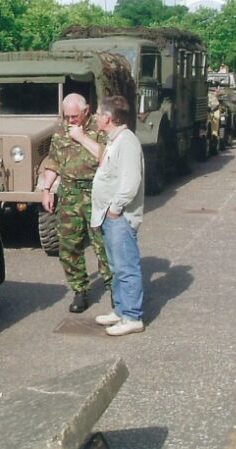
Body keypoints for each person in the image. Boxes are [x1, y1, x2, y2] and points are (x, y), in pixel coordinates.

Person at [41, 93, 111, 313]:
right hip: (69, 195)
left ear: (86, 111)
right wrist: (46, 190)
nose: (71, 120)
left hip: (95, 193)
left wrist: (82, 137)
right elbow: (53, 162)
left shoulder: (100, 128)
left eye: (74, 116)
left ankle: (115, 289)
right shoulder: (61, 132)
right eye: (67, 116)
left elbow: (107, 157)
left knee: (104, 245)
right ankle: (79, 290)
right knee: (69, 246)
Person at [90, 95, 146, 336]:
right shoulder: (115, 140)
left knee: (126, 266)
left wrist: (115, 208)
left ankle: (132, 316)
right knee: (115, 266)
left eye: (99, 114)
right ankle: (121, 310)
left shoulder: (127, 142)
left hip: (119, 217)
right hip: (109, 215)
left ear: (109, 118)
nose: (96, 117)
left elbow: (131, 181)